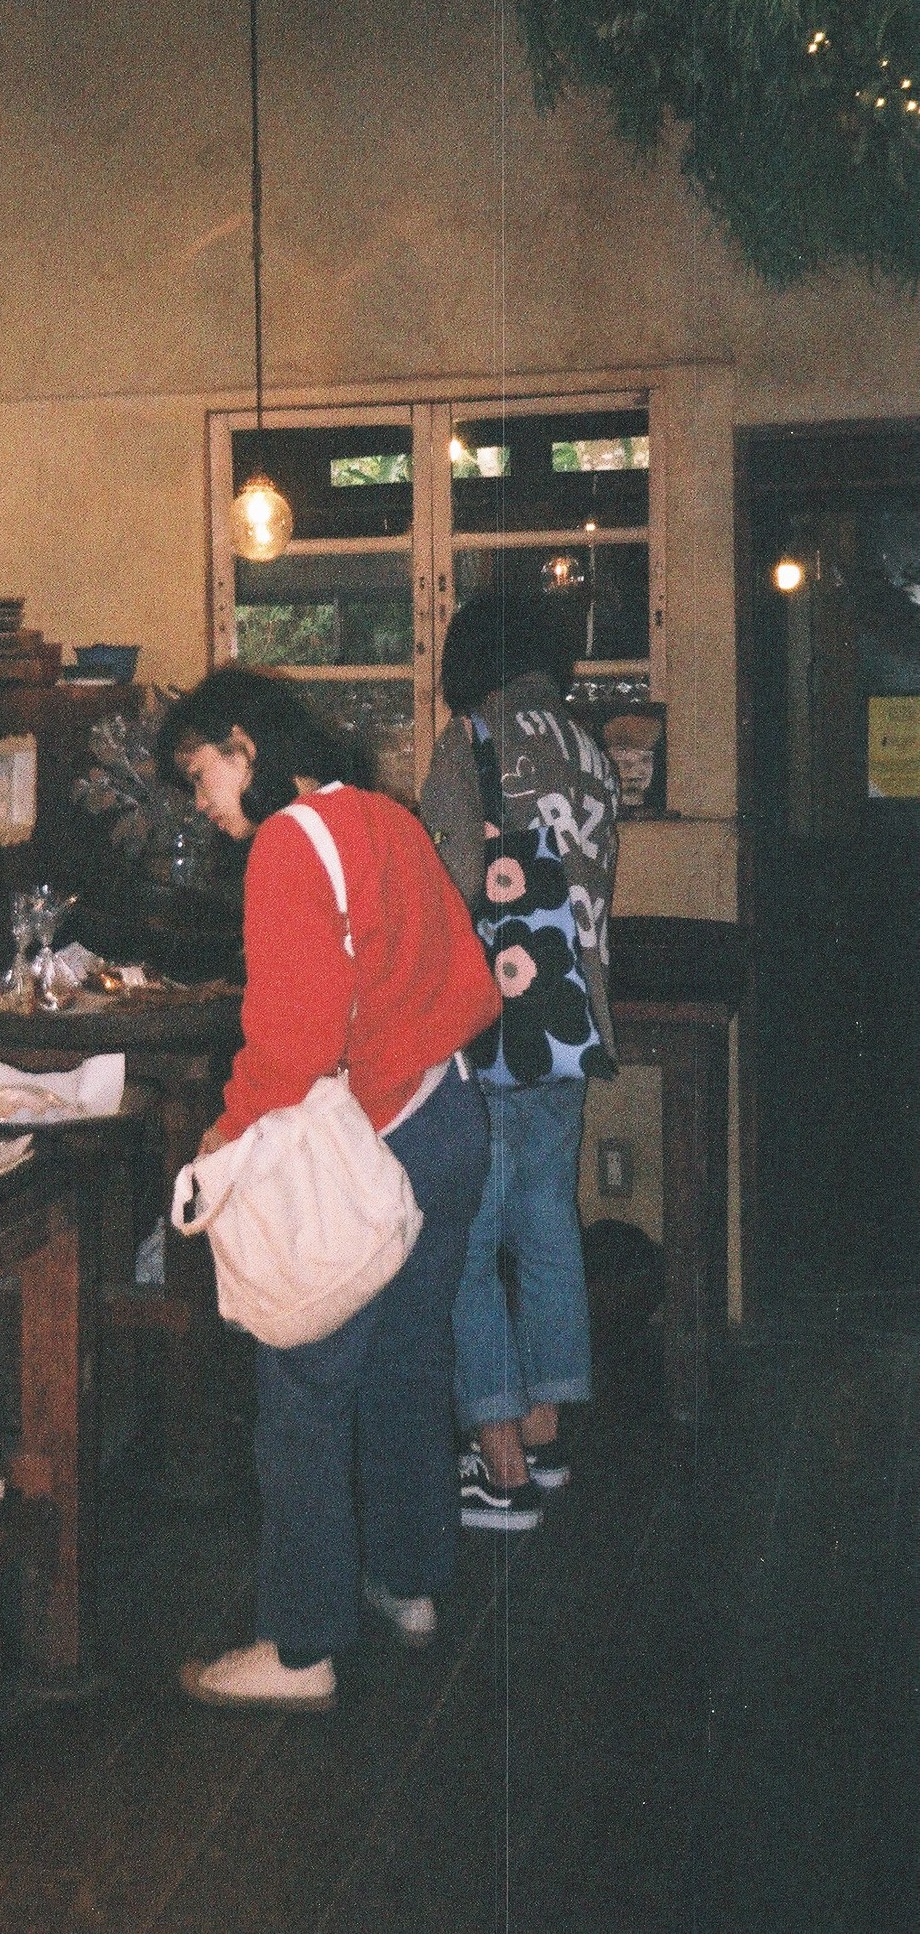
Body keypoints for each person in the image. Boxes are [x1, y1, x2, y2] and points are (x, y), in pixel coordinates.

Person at [157, 666, 499, 1711]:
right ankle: (408, 1583)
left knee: (301, 1388)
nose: (201, 801)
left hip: (373, 1147)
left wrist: (226, 1126)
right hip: (448, 1120)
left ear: (243, 744)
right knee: (409, 1364)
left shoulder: (284, 843)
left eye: (200, 774)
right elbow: (461, 973)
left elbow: (294, 1035)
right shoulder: (382, 815)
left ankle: (299, 1649)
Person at [419, 591, 620, 1530]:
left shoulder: (471, 740)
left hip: (491, 1023)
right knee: (546, 1220)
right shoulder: (590, 747)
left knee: (466, 1235)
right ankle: (544, 1434)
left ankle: (499, 1466)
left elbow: (449, 883)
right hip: (572, 1022)